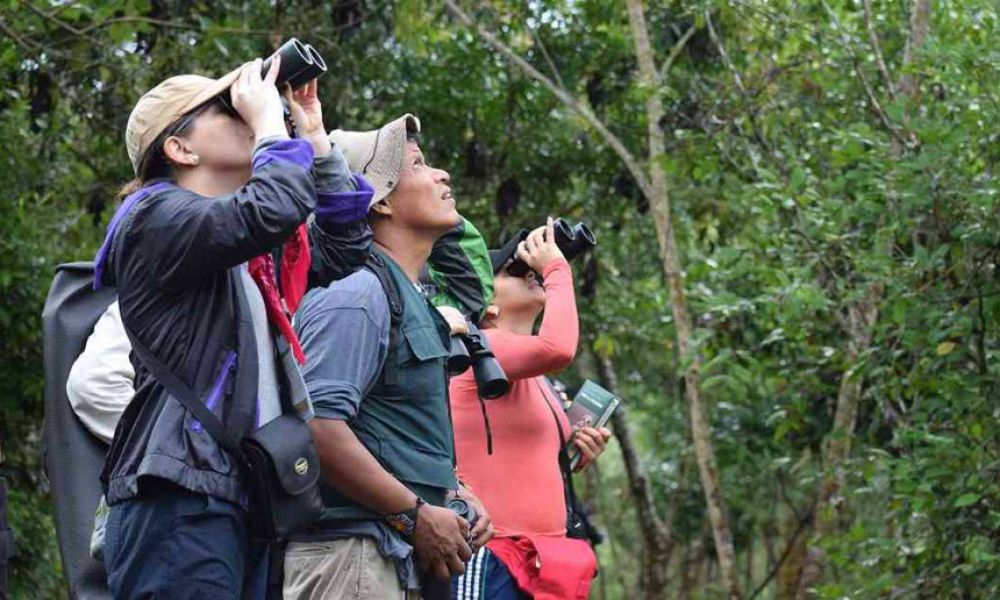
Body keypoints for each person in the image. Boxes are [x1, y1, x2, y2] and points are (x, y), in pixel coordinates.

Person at [93, 55, 373, 600]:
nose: (247, 113)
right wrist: (268, 126)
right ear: (180, 149)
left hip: (233, 495)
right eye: (227, 109)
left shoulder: (240, 252)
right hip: (178, 497)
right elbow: (273, 208)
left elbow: (345, 248)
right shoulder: (154, 217)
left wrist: (314, 138)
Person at [285, 114, 493, 600]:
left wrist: (449, 490)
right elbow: (319, 427)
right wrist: (415, 514)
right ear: (378, 200)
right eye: (418, 165)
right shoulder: (357, 293)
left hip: (392, 559)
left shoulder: (409, 295)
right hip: (354, 557)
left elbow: (391, 430)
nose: (441, 174)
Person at [449, 220, 613, 600]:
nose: (532, 274)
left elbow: (521, 454)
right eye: (514, 270)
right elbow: (558, 348)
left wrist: (577, 449)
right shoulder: (481, 349)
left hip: (544, 558)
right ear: (487, 302)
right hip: (492, 553)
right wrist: (555, 268)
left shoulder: (540, 380)